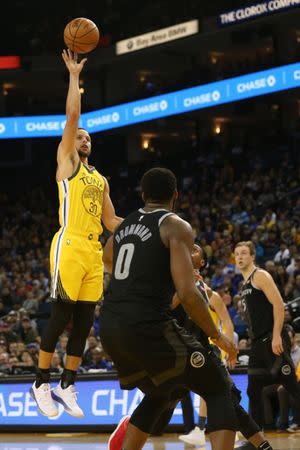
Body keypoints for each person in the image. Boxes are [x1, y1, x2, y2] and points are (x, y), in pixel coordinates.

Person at [100, 167, 240, 450]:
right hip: (146, 325)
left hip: (110, 327)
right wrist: (217, 336)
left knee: (163, 391)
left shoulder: (125, 225)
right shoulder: (175, 225)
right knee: (218, 387)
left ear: (143, 195)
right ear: (175, 195)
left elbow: (106, 257)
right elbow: (189, 294)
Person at [30, 49, 122, 418]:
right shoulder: (67, 164)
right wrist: (73, 76)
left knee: (85, 321)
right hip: (67, 243)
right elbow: (72, 116)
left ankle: (68, 383)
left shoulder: (100, 179)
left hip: (92, 251)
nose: (82, 138)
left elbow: (112, 222)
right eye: (78, 136)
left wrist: (150, 223)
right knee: (60, 315)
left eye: (86, 137)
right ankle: (40, 381)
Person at [154, 244, 274, 450]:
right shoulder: (174, 281)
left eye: (195, 250)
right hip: (179, 354)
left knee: (228, 400)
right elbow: (166, 309)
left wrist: (229, 349)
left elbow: (225, 324)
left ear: (201, 263)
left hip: (205, 352)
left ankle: (259, 444)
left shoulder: (207, 292)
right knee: (161, 407)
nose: (190, 249)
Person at [234, 241, 300, 432]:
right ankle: (257, 437)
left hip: (272, 339)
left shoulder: (260, 275)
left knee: (292, 387)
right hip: (257, 344)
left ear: (253, 256)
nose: (239, 257)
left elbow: (279, 305)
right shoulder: (243, 284)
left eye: (244, 253)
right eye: (237, 254)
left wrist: (277, 336)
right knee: (253, 391)